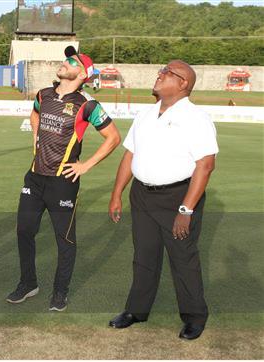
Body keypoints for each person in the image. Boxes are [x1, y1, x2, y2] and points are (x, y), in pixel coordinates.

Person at [108, 60, 218, 340]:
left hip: (177, 197)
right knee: (144, 254)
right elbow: (129, 155)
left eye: (168, 72)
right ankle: (137, 310)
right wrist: (117, 193)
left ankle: (194, 316)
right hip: (142, 195)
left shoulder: (196, 118)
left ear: (183, 83)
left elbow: (205, 164)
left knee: (183, 258)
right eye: (162, 70)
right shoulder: (146, 115)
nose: (160, 74)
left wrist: (186, 209)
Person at [6, 46, 121, 311]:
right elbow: (35, 113)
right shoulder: (43, 94)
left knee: (65, 240)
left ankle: (60, 291)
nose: (64, 62)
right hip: (34, 178)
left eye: (71, 61)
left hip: (63, 183)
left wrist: (86, 165)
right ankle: (28, 283)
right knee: (24, 231)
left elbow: (113, 137)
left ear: (82, 74)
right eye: (66, 58)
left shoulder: (88, 105)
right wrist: (35, 137)